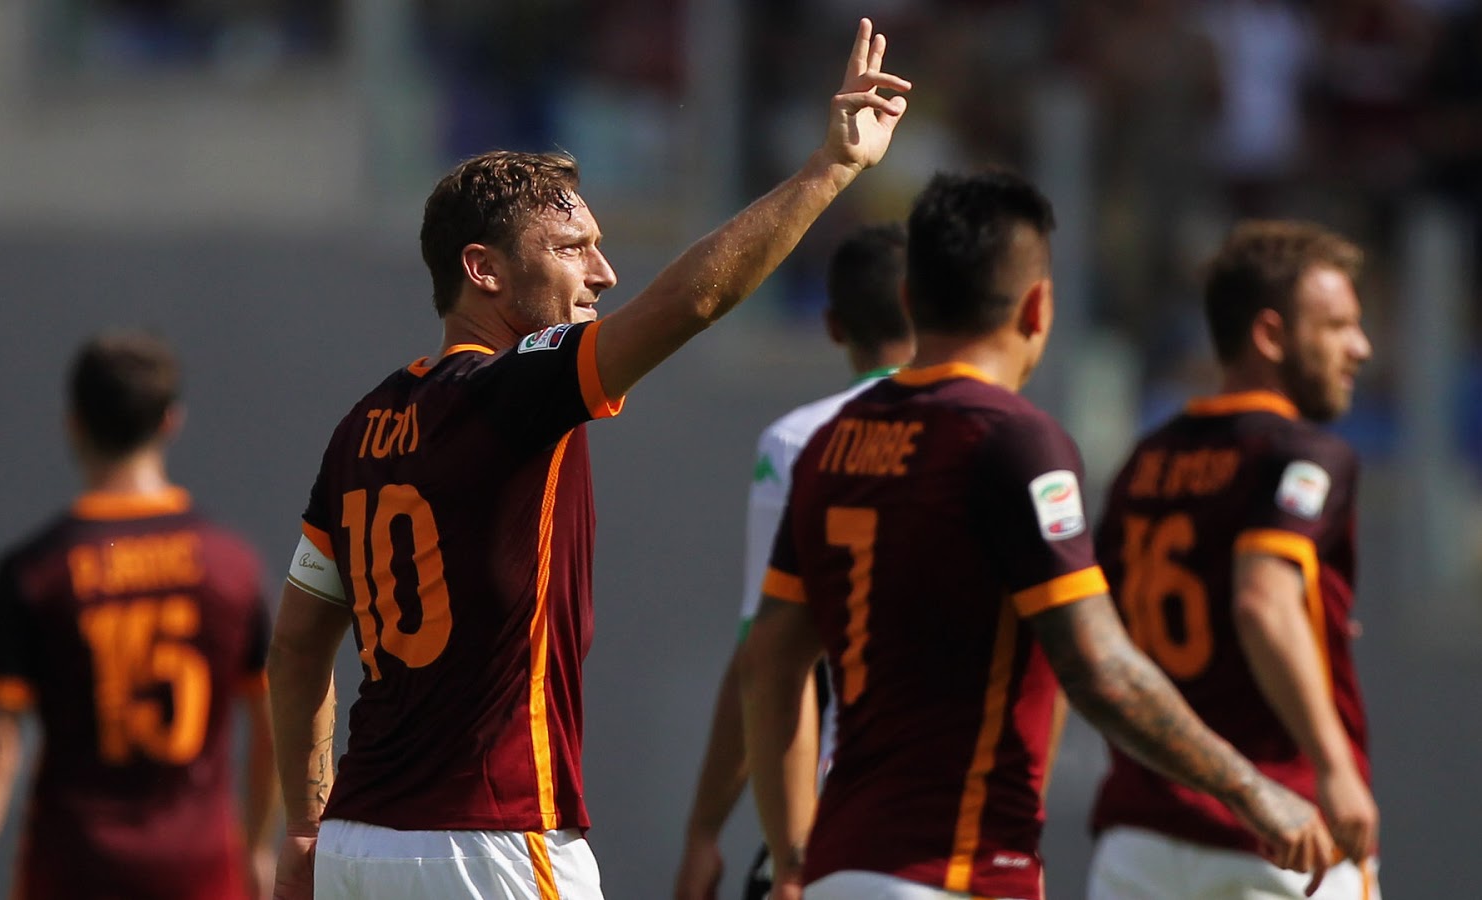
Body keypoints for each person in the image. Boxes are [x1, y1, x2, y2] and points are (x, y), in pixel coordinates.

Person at [266, 18, 911, 900]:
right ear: (484, 270)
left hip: (357, 848)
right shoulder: (515, 389)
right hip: (491, 839)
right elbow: (692, 303)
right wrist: (830, 169)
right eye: (573, 249)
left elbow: (298, 644)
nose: (603, 274)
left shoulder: (363, 425)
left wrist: (306, 823)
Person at [738, 170, 1338, 900]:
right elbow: (1097, 666)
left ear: (910, 298)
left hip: (840, 870)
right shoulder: (1011, 438)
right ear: (1038, 306)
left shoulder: (832, 443)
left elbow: (768, 664)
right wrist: (1251, 790)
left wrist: (793, 855)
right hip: (954, 872)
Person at [1086, 219, 1379, 899]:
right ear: (1271, 335)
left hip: (1137, 841)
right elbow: (1260, 602)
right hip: (1282, 830)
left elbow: (1097, 632)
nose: (1360, 347)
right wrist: (1335, 768)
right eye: (1337, 326)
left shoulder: (1145, 461)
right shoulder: (1306, 454)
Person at [0, 331, 278, 900]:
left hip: (75, 870)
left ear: (73, 424)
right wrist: (259, 847)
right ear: (170, 421)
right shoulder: (231, 565)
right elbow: (275, 723)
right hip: (200, 873)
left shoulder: (38, 570)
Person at [674, 223, 915, 900]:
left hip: (841, 825)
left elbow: (768, 658)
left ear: (834, 327)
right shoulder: (1002, 432)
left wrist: (706, 835)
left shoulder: (801, 441)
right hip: (973, 832)